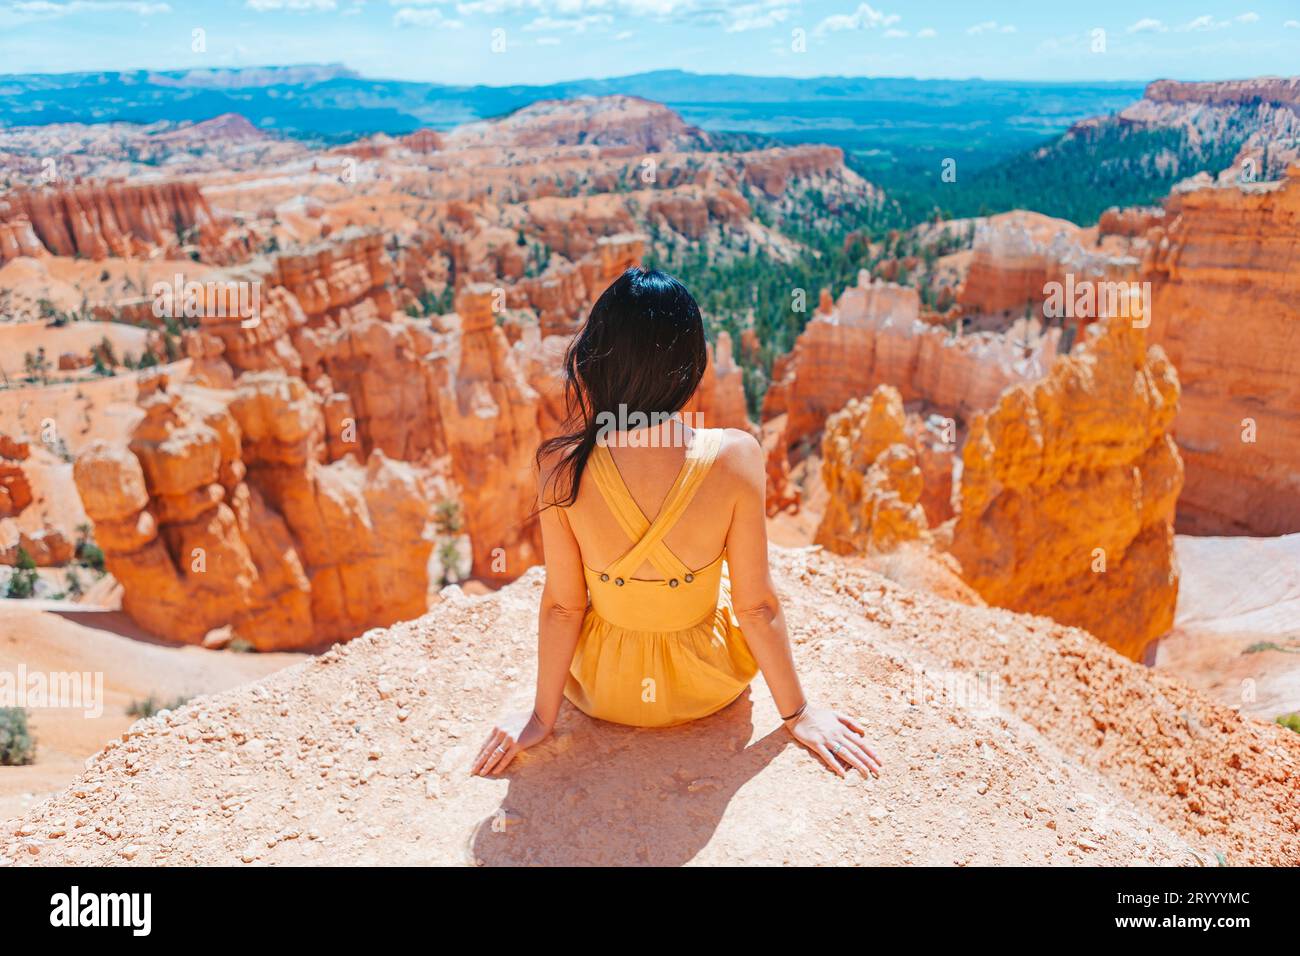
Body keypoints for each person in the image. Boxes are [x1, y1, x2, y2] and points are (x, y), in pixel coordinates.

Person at [472, 267, 882, 780]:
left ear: (595, 361)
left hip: (605, 690)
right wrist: (798, 714)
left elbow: (562, 605)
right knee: (729, 578)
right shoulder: (735, 456)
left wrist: (540, 717)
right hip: (705, 686)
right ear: (690, 366)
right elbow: (756, 605)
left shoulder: (560, 465)